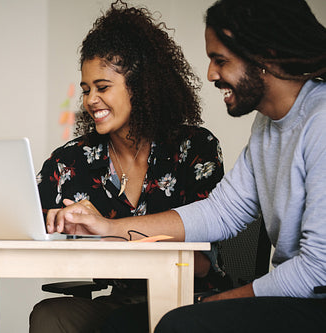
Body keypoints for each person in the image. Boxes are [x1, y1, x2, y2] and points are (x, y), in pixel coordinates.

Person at [48, 0, 326, 332]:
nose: (211, 74)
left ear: (265, 56)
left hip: (313, 302)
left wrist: (219, 302)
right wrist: (109, 228)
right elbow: (221, 212)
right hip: (292, 300)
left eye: (220, 61)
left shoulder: (320, 122)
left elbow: (317, 271)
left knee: (177, 326)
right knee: (121, 324)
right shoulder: (267, 126)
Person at [30, 2, 229, 332]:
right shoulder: (72, 161)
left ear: (141, 85)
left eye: (103, 87)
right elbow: (20, 215)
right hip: (120, 303)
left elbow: (200, 264)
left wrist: (110, 232)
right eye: (86, 90)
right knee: (50, 315)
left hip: (191, 300)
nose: (91, 100)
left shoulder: (195, 149)